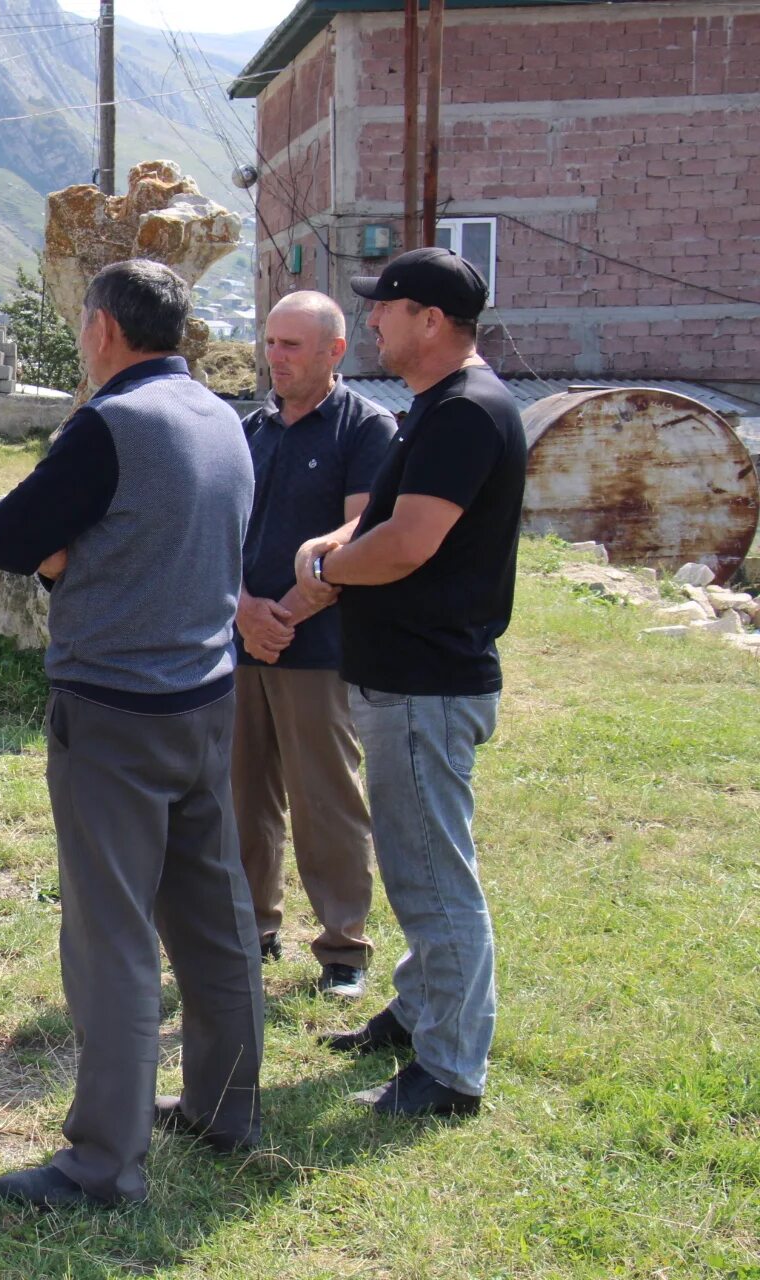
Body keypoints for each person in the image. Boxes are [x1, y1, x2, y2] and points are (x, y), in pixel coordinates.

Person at [0, 260, 261, 1207]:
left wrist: (74, 562)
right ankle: (226, 1109)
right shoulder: (224, 416)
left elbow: (7, 538)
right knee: (214, 918)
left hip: (113, 711)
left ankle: (103, 1164)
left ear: (100, 330)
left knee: (114, 940)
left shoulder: (110, 425)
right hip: (208, 699)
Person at [291, 246, 526, 1119]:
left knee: (433, 877)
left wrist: (328, 573)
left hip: (427, 683)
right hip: (406, 676)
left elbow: (408, 542)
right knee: (413, 861)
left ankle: (451, 1071)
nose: (375, 322)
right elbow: (375, 524)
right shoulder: (437, 407)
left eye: (385, 307)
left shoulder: (465, 411)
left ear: (431, 320)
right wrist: (332, 550)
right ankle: (420, 1009)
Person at [234, 291, 396, 1000]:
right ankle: (249, 931)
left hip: (318, 646)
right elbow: (216, 532)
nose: (276, 358)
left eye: (292, 346)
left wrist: (287, 615)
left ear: (335, 352)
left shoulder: (366, 429)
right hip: (239, 643)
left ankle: (342, 950)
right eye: (270, 343)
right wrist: (244, 614)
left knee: (326, 800)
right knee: (240, 797)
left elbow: (361, 534)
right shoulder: (251, 430)